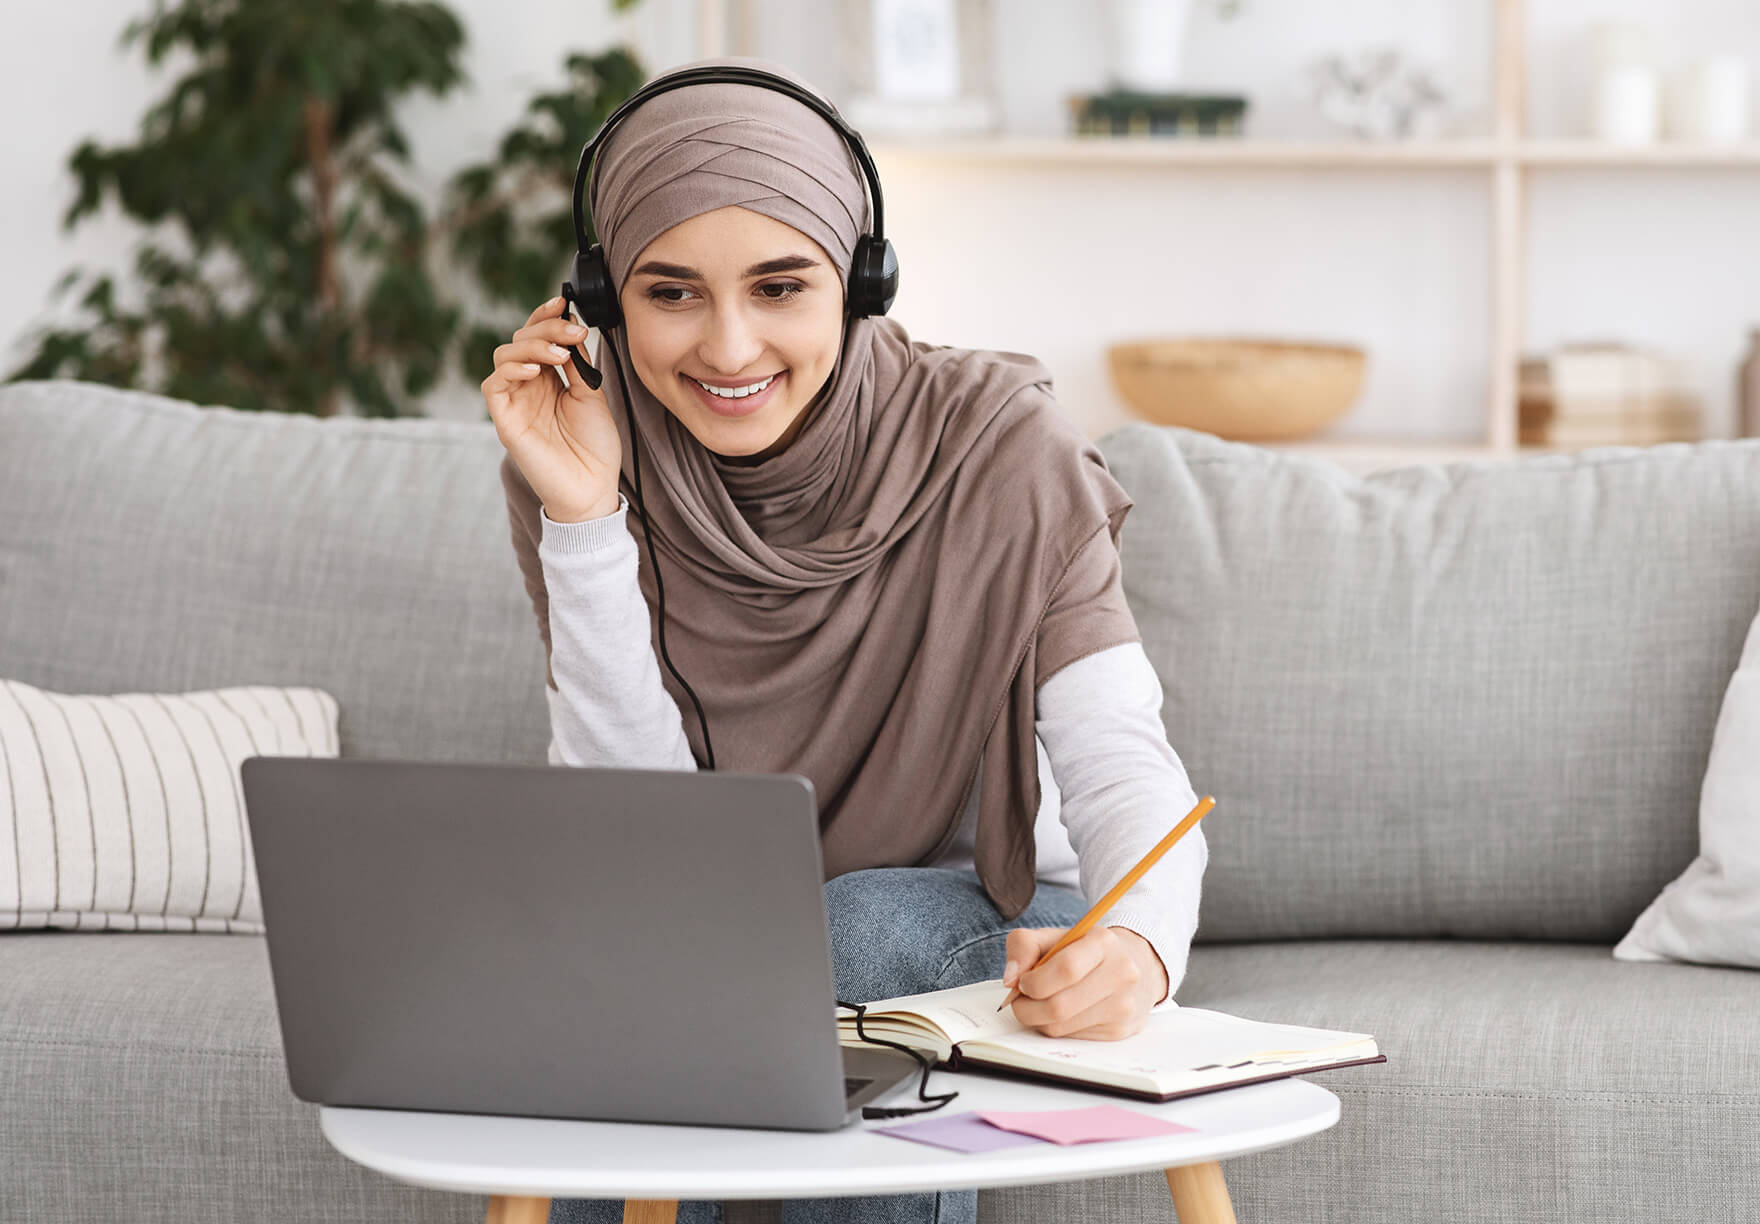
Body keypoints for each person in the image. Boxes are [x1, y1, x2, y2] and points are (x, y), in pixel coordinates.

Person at [480, 56, 1207, 1224]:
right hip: (720, 928)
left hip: (977, 909)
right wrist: (583, 518)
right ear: (604, 300)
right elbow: (643, 843)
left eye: (779, 288)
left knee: (857, 928)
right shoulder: (583, 452)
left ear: (859, 282)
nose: (725, 348)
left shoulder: (1001, 449)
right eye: (669, 294)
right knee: (593, 995)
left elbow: (1121, 757)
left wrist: (1135, 941)